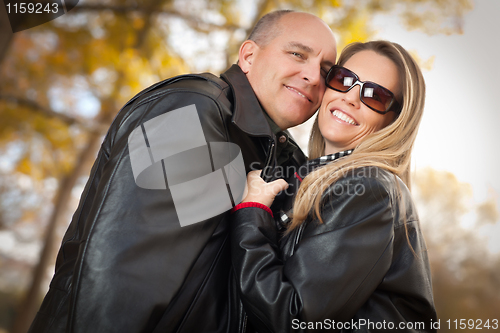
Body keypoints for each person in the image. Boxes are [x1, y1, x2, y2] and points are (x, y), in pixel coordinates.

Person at [28, 10, 337, 333]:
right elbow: (124, 272)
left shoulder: (283, 159)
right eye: (297, 54)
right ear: (248, 56)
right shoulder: (193, 109)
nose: (314, 76)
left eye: (326, 72)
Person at [230, 40, 437, 332]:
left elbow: (294, 319)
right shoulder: (313, 179)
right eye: (343, 80)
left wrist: (252, 213)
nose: (351, 98)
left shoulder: (369, 189)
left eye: (375, 95)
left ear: (393, 121)